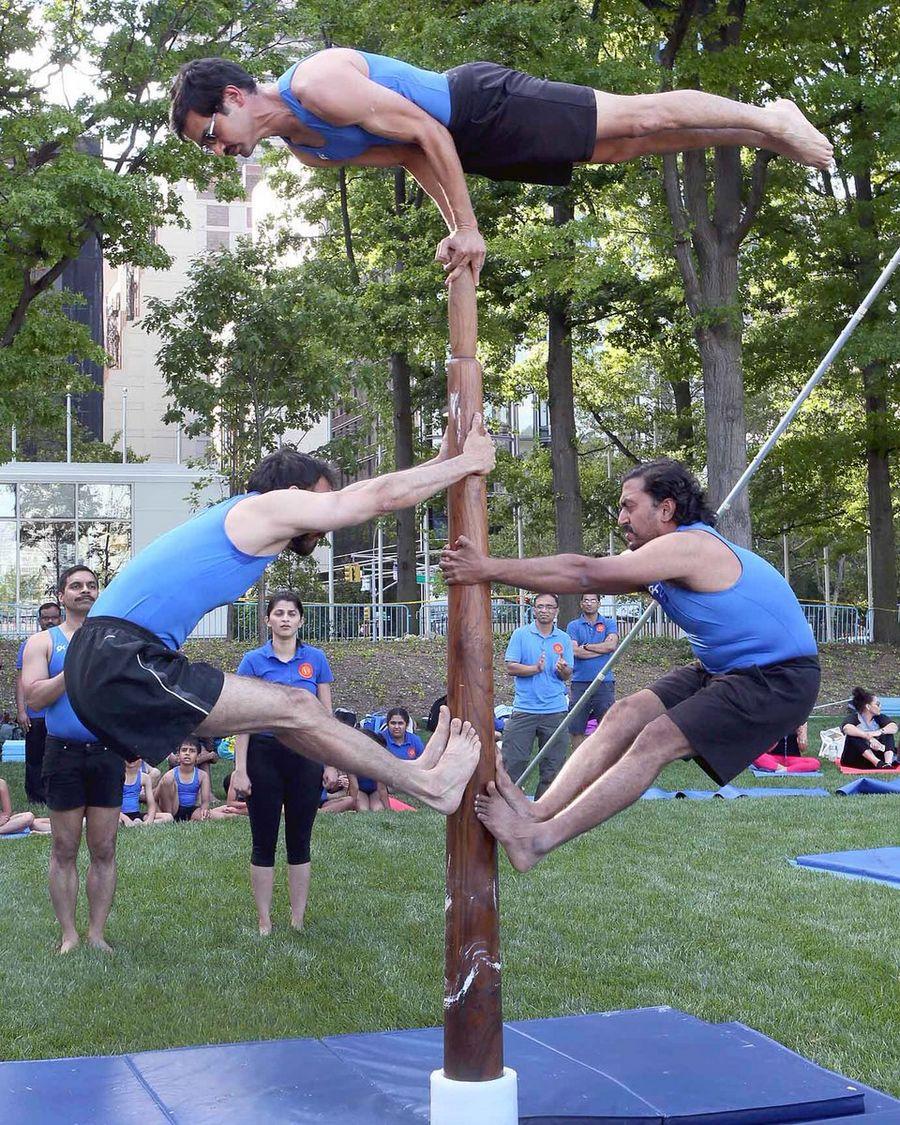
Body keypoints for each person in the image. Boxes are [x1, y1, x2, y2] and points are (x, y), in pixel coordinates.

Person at [62, 428, 493, 815]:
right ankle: (430, 785)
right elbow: (373, 498)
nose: (326, 519)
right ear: (291, 492)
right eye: (320, 498)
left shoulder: (243, 522)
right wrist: (467, 463)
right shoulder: (264, 508)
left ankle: (414, 771)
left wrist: (441, 465)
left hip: (105, 660)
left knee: (290, 717)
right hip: (116, 655)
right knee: (298, 705)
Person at [440, 458, 820, 872]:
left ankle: (537, 840)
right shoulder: (657, 557)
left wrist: (487, 568)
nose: (621, 518)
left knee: (656, 738)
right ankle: (537, 812)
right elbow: (583, 570)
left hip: (779, 677)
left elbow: (585, 574)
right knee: (624, 714)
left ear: (666, 509)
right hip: (723, 667)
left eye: (628, 506)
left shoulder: (690, 547)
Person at [169, 52, 832, 284]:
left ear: (232, 97)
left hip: (481, 106)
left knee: (636, 118)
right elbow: (409, 154)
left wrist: (469, 225)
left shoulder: (316, 86)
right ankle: (758, 132)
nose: (220, 150)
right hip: (475, 147)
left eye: (212, 135)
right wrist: (461, 227)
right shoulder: (307, 151)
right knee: (624, 147)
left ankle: (769, 116)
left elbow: (427, 127)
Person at [21, 567, 124, 952]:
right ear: (62, 595)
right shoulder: (42, 643)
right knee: (64, 848)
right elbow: (34, 699)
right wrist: (75, 667)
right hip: (62, 753)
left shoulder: (115, 641)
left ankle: (96, 933)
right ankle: (69, 934)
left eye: (91, 585)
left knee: (105, 848)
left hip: (106, 753)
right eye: (76, 586)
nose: (85, 591)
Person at [230, 590, 334, 934]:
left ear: (301, 620)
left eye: (292, 613)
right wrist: (240, 769)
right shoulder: (253, 662)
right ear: (268, 619)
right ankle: (264, 921)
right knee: (263, 841)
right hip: (264, 756)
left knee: (300, 839)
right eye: (279, 613)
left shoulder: (316, 659)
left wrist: (330, 762)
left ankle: (297, 920)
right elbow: (241, 719)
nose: (285, 618)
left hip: (306, 756)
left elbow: (326, 716)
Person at [501, 594, 574, 799]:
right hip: (525, 710)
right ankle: (508, 808)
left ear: (556, 611)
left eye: (549, 607)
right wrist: (535, 668)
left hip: (555, 711)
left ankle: (543, 813)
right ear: (533, 610)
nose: (544, 610)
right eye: (540, 606)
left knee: (554, 766)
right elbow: (511, 667)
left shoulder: (563, 639)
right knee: (513, 763)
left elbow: (567, 675)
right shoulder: (521, 635)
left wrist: (563, 669)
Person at [15, 601, 61, 803]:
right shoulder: (29, 645)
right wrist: (21, 711)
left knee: (59, 758)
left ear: (60, 618)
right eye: (45, 617)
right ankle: (35, 796)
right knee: (35, 758)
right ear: (39, 620)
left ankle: (55, 794)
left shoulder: (68, 641)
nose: (50, 620)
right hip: (36, 713)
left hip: (60, 714)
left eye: (54, 616)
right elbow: (20, 681)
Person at [566, 593, 619, 751]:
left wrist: (587, 646)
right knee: (576, 727)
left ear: (599, 603)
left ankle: (606, 763)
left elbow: (611, 646)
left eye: (593, 600)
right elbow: (574, 651)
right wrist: (600, 648)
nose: (589, 603)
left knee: (607, 727)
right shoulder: (573, 626)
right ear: (581, 603)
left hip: (605, 682)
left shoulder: (609, 623)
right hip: (579, 683)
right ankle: (577, 765)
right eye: (586, 600)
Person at [156, 737, 212, 822]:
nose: (187, 753)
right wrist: (161, 814)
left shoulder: (202, 775)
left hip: (191, 810)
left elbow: (205, 802)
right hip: (172, 810)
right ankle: (170, 818)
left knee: (219, 815)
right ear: (178, 755)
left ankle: (235, 810)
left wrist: (204, 810)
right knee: (168, 780)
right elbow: (154, 798)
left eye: (192, 751)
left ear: (198, 756)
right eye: (184, 750)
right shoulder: (170, 775)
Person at [840, 689, 897, 770]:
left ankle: (888, 764)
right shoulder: (854, 718)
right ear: (868, 706)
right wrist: (868, 737)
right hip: (856, 760)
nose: (880, 706)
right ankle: (877, 763)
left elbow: (894, 727)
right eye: (877, 704)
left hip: (876, 754)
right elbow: (846, 728)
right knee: (853, 736)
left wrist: (878, 732)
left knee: (887, 733)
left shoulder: (879, 718)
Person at [119, 758, 171, 826]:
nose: (131, 759)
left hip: (136, 814)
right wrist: (125, 819)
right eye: (128, 756)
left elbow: (151, 804)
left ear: (140, 759)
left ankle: (140, 824)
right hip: (119, 815)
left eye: (134, 757)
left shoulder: (144, 777)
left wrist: (149, 820)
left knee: (168, 817)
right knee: (116, 823)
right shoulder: (116, 777)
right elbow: (112, 805)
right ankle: (130, 823)